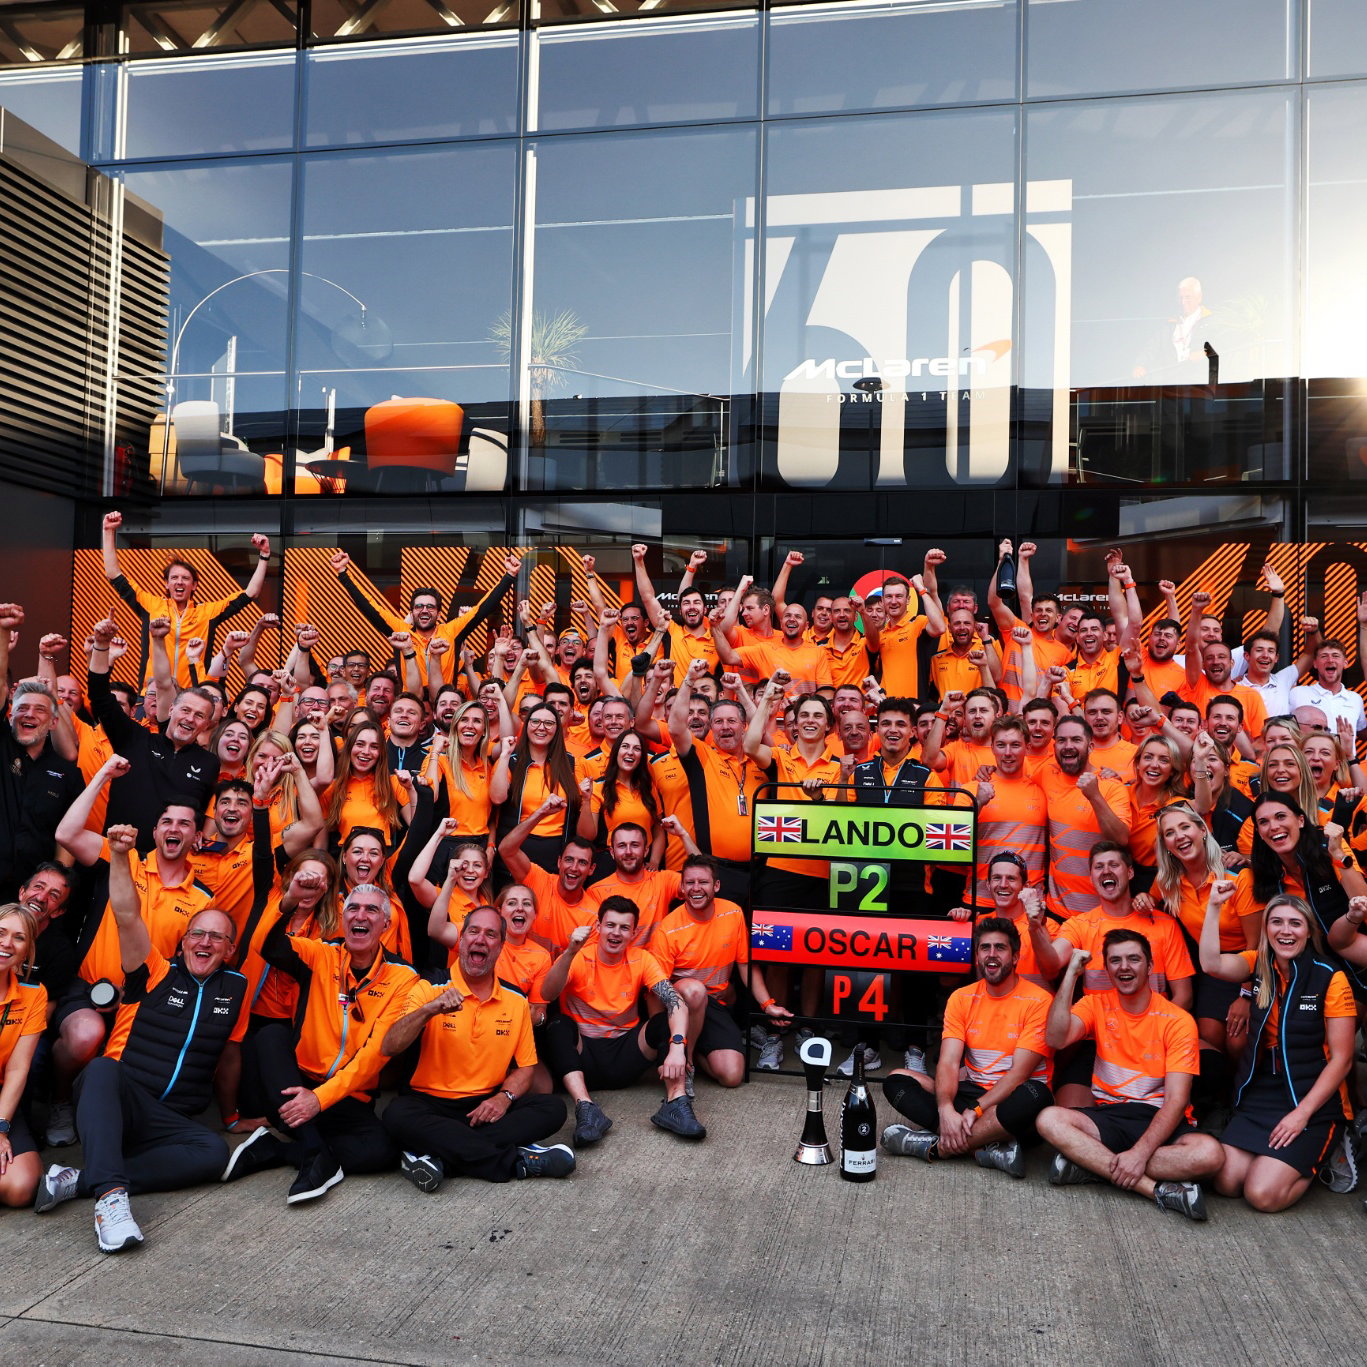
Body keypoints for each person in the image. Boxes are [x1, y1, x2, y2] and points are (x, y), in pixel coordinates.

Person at [34, 824, 248, 1252]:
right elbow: (127, 913)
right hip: (120, 1104)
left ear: (230, 949)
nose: (204, 942)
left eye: (216, 938)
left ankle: (77, 1180)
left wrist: (231, 1118)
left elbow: (228, 1056)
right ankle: (110, 1200)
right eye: (196, 934)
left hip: (171, 1122)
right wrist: (117, 856)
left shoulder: (236, 987)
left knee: (213, 1153)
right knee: (101, 1069)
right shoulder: (154, 972)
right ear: (183, 941)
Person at [221, 885, 418, 1203]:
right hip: (293, 1086)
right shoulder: (321, 954)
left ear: (386, 924)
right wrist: (287, 901)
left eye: (371, 910)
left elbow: (374, 1055)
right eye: (353, 909)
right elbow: (263, 944)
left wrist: (319, 1099)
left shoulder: (403, 978)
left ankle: (278, 1150)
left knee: (380, 1152)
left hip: (347, 1096)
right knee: (271, 1036)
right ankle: (314, 1152)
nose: (361, 916)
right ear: (343, 919)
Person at [380, 905, 571, 1188]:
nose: (480, 939)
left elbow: (526, 1068)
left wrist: (504, 1098)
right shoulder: (428, 986)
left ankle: (438, 1155)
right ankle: (514, 1162)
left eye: (491, 934)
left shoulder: (516, 999)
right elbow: (390, 1046)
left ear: (501, 946)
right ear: (462, 940)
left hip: (485, 1107)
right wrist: (428, 1011)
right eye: (473, 931)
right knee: (395, 1115)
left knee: (553, 1109)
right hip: (428, 1106)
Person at [1036, 933, 1223, 1221]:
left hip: (1159, 1117)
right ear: (1107, 969)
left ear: (1149, 967)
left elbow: (1176, 1101)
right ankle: (1154, 1190)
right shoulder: (1095, 1003)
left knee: (1210, 1155)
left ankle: (1092, 1166)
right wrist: (1071, 974)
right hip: (1110, 1115)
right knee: (1049, 1119)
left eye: (1134, 959)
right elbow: (1055, 1037)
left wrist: (1138, 1155)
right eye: (1115, 961)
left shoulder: (1178, 1021)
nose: (1124, 967)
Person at [1199, 885, 1356, 1210]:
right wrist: (1213, 907)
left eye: (1295, 923)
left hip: (1309, 1099)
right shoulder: (1258, 964)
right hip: (1262, 1092)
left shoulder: (1330, 977)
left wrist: (1301, 1115)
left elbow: (1342, 1060)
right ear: (1266, 929)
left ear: (1308, 931)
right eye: (1277, 922)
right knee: (1226, 1182)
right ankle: (1272, 1158)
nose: (1285, 931)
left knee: (1262, 1195)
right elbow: (1211, 965)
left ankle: (1327, 1150)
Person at [881, 917, 1053, 1178]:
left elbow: (1019, 1075)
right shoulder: (962, 997)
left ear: (1016, 957)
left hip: (1012, 1099)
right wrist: (946, 1109)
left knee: (1036, 1094)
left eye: (1000, 948)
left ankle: (936, 1147)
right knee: (896, 1081)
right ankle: (986, 1146)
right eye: (985, 948)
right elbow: (949, 1062)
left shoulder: (1038, 1000)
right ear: (976, 956)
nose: (991, 955)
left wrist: (976, 1110)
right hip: (972, 1094)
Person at [540, 897, 702, 1144]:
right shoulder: (578, 956)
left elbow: (674, 1002)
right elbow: (547, 994)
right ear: (598, 927)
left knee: (663, 1023)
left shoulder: (642, 958)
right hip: (585, 1057)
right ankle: (587, 1109)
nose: (616, 933)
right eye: (610, 925)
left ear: (634, 932)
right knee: (559, 1025)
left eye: (624, 928)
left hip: (626, 1053)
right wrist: (570, 951)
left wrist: (678, 1046)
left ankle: (675, 1102)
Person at [653, 855, 792, 1089]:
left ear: (716, 886)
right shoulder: (668, 928)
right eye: (689, 883)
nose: (696, 889)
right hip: (682, 1007)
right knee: (695, 990)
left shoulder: (733, 913)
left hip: (716, 1005)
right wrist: (659, 1032)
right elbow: (658, 988)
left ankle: (695, 1054)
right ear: (682, 887)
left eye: (703, 882)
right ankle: (686, 1062)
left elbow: (746, 966)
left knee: (732, 1076)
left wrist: (767, 1004)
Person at [86, 618, 219, 847]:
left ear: (207, 725)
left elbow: (199, 815)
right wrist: (101, 646)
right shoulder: (134, 738)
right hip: (118, 858)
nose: (189, 718)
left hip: (169, 868)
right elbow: (98, 695)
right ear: (170, 710)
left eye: (199, 715)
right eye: (185, 710)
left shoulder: (209, 763)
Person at [101, 511, 270, 687]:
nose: (179, 582)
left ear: (195, 585)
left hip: (192, 694)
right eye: (174, 578)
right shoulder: (151, 605)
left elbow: (251, 593)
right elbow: (114, 574)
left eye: (185, 578)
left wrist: (264, 555)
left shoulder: (207, 612)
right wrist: (108, 531)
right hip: (152, 694)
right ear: (166, 583)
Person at [0, 637, 84, 900]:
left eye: (39, 710)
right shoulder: (1, 745)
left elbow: (67, 834)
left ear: (53, 722)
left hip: (30, 893)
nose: (29, 714)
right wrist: (3, 636)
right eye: (22, 708)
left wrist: (56, 880)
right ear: (11, 715)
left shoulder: (67, 773)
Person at [1038, 715, 1131, 919]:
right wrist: (987, 769)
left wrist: (1095, 796)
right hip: (1056, 911)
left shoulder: (1111, 786)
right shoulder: (1046, 774)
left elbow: (1121, 839)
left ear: (1090, 747)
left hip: (1099, 914)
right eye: (1061, 740)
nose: (1068, 746)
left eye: (1076, 740)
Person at [499, 799, 602, 954]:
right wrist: (540, 814)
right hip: (520, 968)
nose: (573, 868)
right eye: (569, 860)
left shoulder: (593, 916)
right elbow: (506, 850)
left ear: (591, 869)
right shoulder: (539, 880)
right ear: (559, 862)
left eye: (582, 862)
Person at [0, 904, 46, 1208]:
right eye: (1, 932)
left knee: (21, 1187)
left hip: (2, 1098)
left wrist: (0, 1128)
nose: (7, 943)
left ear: (27, 950)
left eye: (18, 938)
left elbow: (18, 1070)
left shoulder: (33, 993)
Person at [1290, 639, 1366, 737]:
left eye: (1336, 656)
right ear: (1315, 664)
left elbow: (1360, 731)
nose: (1330, 660)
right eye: (1324, 656)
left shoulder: (1356, 699)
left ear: (1345, 663)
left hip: (1346, 753)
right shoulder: (1297, 693)